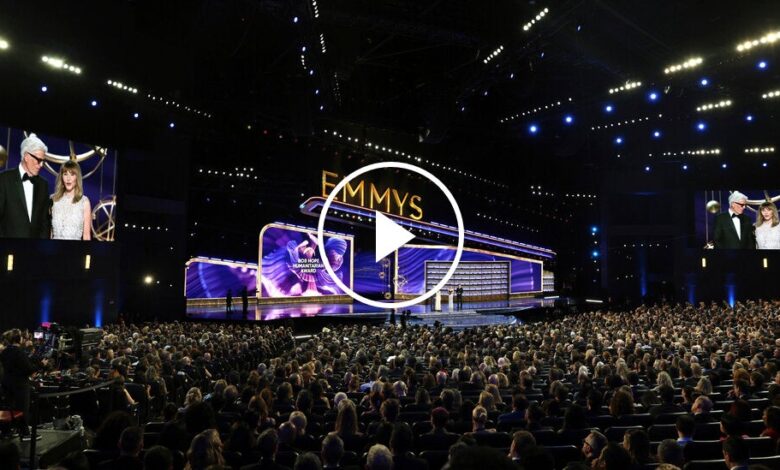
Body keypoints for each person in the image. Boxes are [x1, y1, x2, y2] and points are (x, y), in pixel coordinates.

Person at [0, 133, 51, 238]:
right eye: (39, 160)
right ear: (26, 157)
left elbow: (45, 222)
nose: (41, 165)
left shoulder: (43, 185)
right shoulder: (4, 179)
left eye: (43, 161)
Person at [0, 329, 39, 440]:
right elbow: (28, 369)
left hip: (7, 383)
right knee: (22, 409)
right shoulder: (19, 352)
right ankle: (25, 433)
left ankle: (7, 431)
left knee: (8, 408)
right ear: (18, 339)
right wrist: (41, 364)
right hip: (20, 385)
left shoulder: (5, 352)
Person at [51, 160, 91, 240]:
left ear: (77, 177)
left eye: (72, 174)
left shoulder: (84, 202)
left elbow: (86, 236)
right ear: (61, 177)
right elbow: (49, 232)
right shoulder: (53, 200)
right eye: (65, 174)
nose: (68, 178)